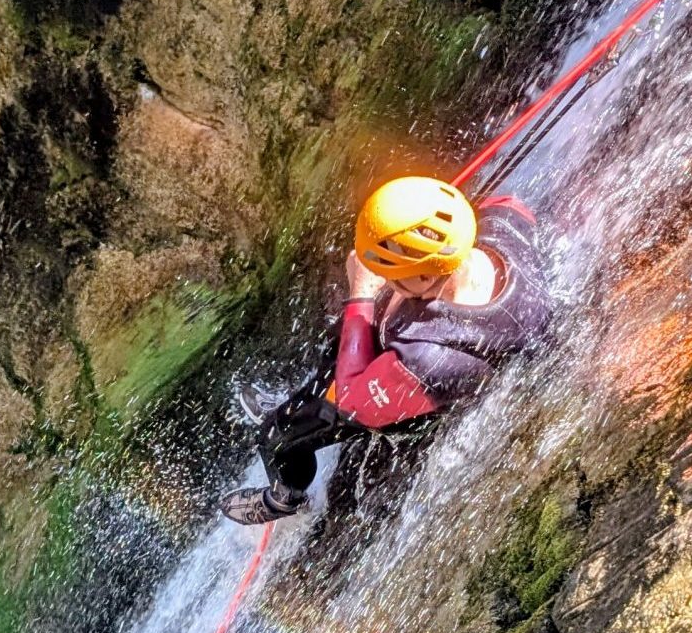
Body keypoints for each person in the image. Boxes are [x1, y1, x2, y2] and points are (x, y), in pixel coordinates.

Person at [220, 176, 553, 525]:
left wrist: (362, 289)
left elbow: (351, 400)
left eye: (389, 271)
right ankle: (311, 387)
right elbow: (500, 206)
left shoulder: (429, 360)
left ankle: (285, 497)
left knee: (277, 435)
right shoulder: (502, 222)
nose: (379, 274)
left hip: (411, 399)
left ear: (424, 278)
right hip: (428, 341)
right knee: (355, 324)